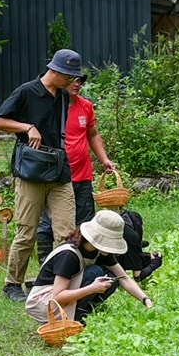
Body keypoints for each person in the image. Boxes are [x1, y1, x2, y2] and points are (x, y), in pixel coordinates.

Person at [0, 49, 81, 302]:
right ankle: (12, 284)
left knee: (66, 232)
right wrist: (27, 127)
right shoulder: (26, 91)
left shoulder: (62, 96)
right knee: (27, 231)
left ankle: (55, 283)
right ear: (55, 71)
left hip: (58, 171)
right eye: (69, 76)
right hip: (31, 172)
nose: (73, 81)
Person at [36, 73, 116, 263]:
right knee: (49, 223)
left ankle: (82, 263)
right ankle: (47, 264)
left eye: (80, 81)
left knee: (86, 221)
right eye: (73, 80)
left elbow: (93, 134)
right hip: (57, 176)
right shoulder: (51, 106)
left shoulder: (85, 106)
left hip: (83, 175)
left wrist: (104, 159)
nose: (77, 84)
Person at [25, 210, 154, 325]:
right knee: (95, 273)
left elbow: (123, 278)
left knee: (111, 278)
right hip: (46, 304)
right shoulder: (68, 255)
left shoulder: (100, 251)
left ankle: (79, 315)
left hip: (62, 299)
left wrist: (145, 299)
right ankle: (74, 317)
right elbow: (58, 296)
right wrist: (92, 289)